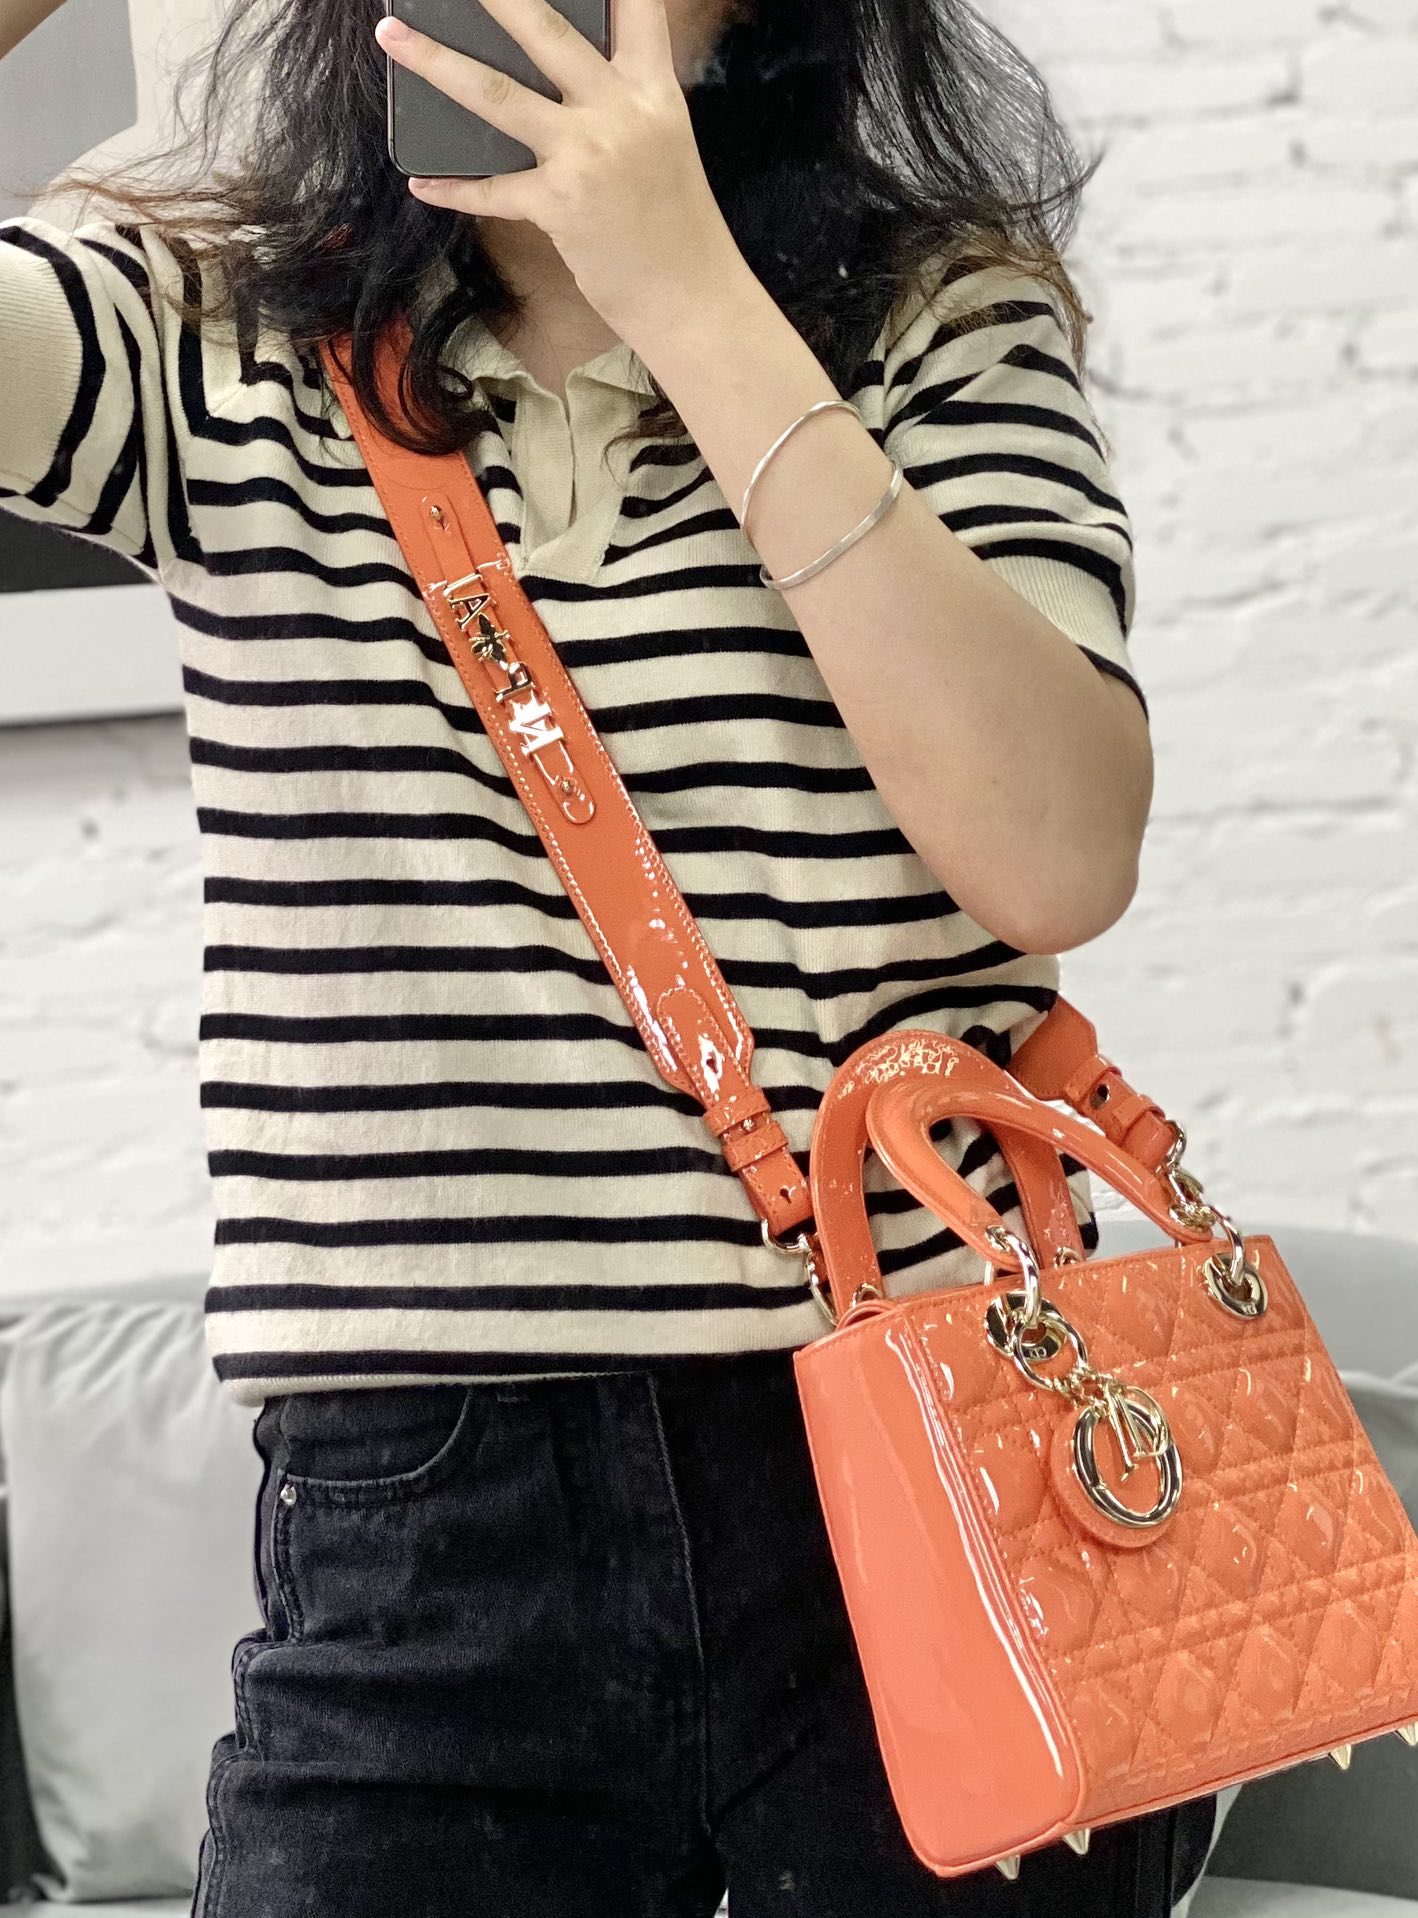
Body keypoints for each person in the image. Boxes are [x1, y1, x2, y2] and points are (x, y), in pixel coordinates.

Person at [0, 0, 1217, 1910]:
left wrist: (689, 293)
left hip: (933, 1438)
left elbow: (1054, 851)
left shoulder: (931, 310)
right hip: (424, 1511)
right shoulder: (204, 322)